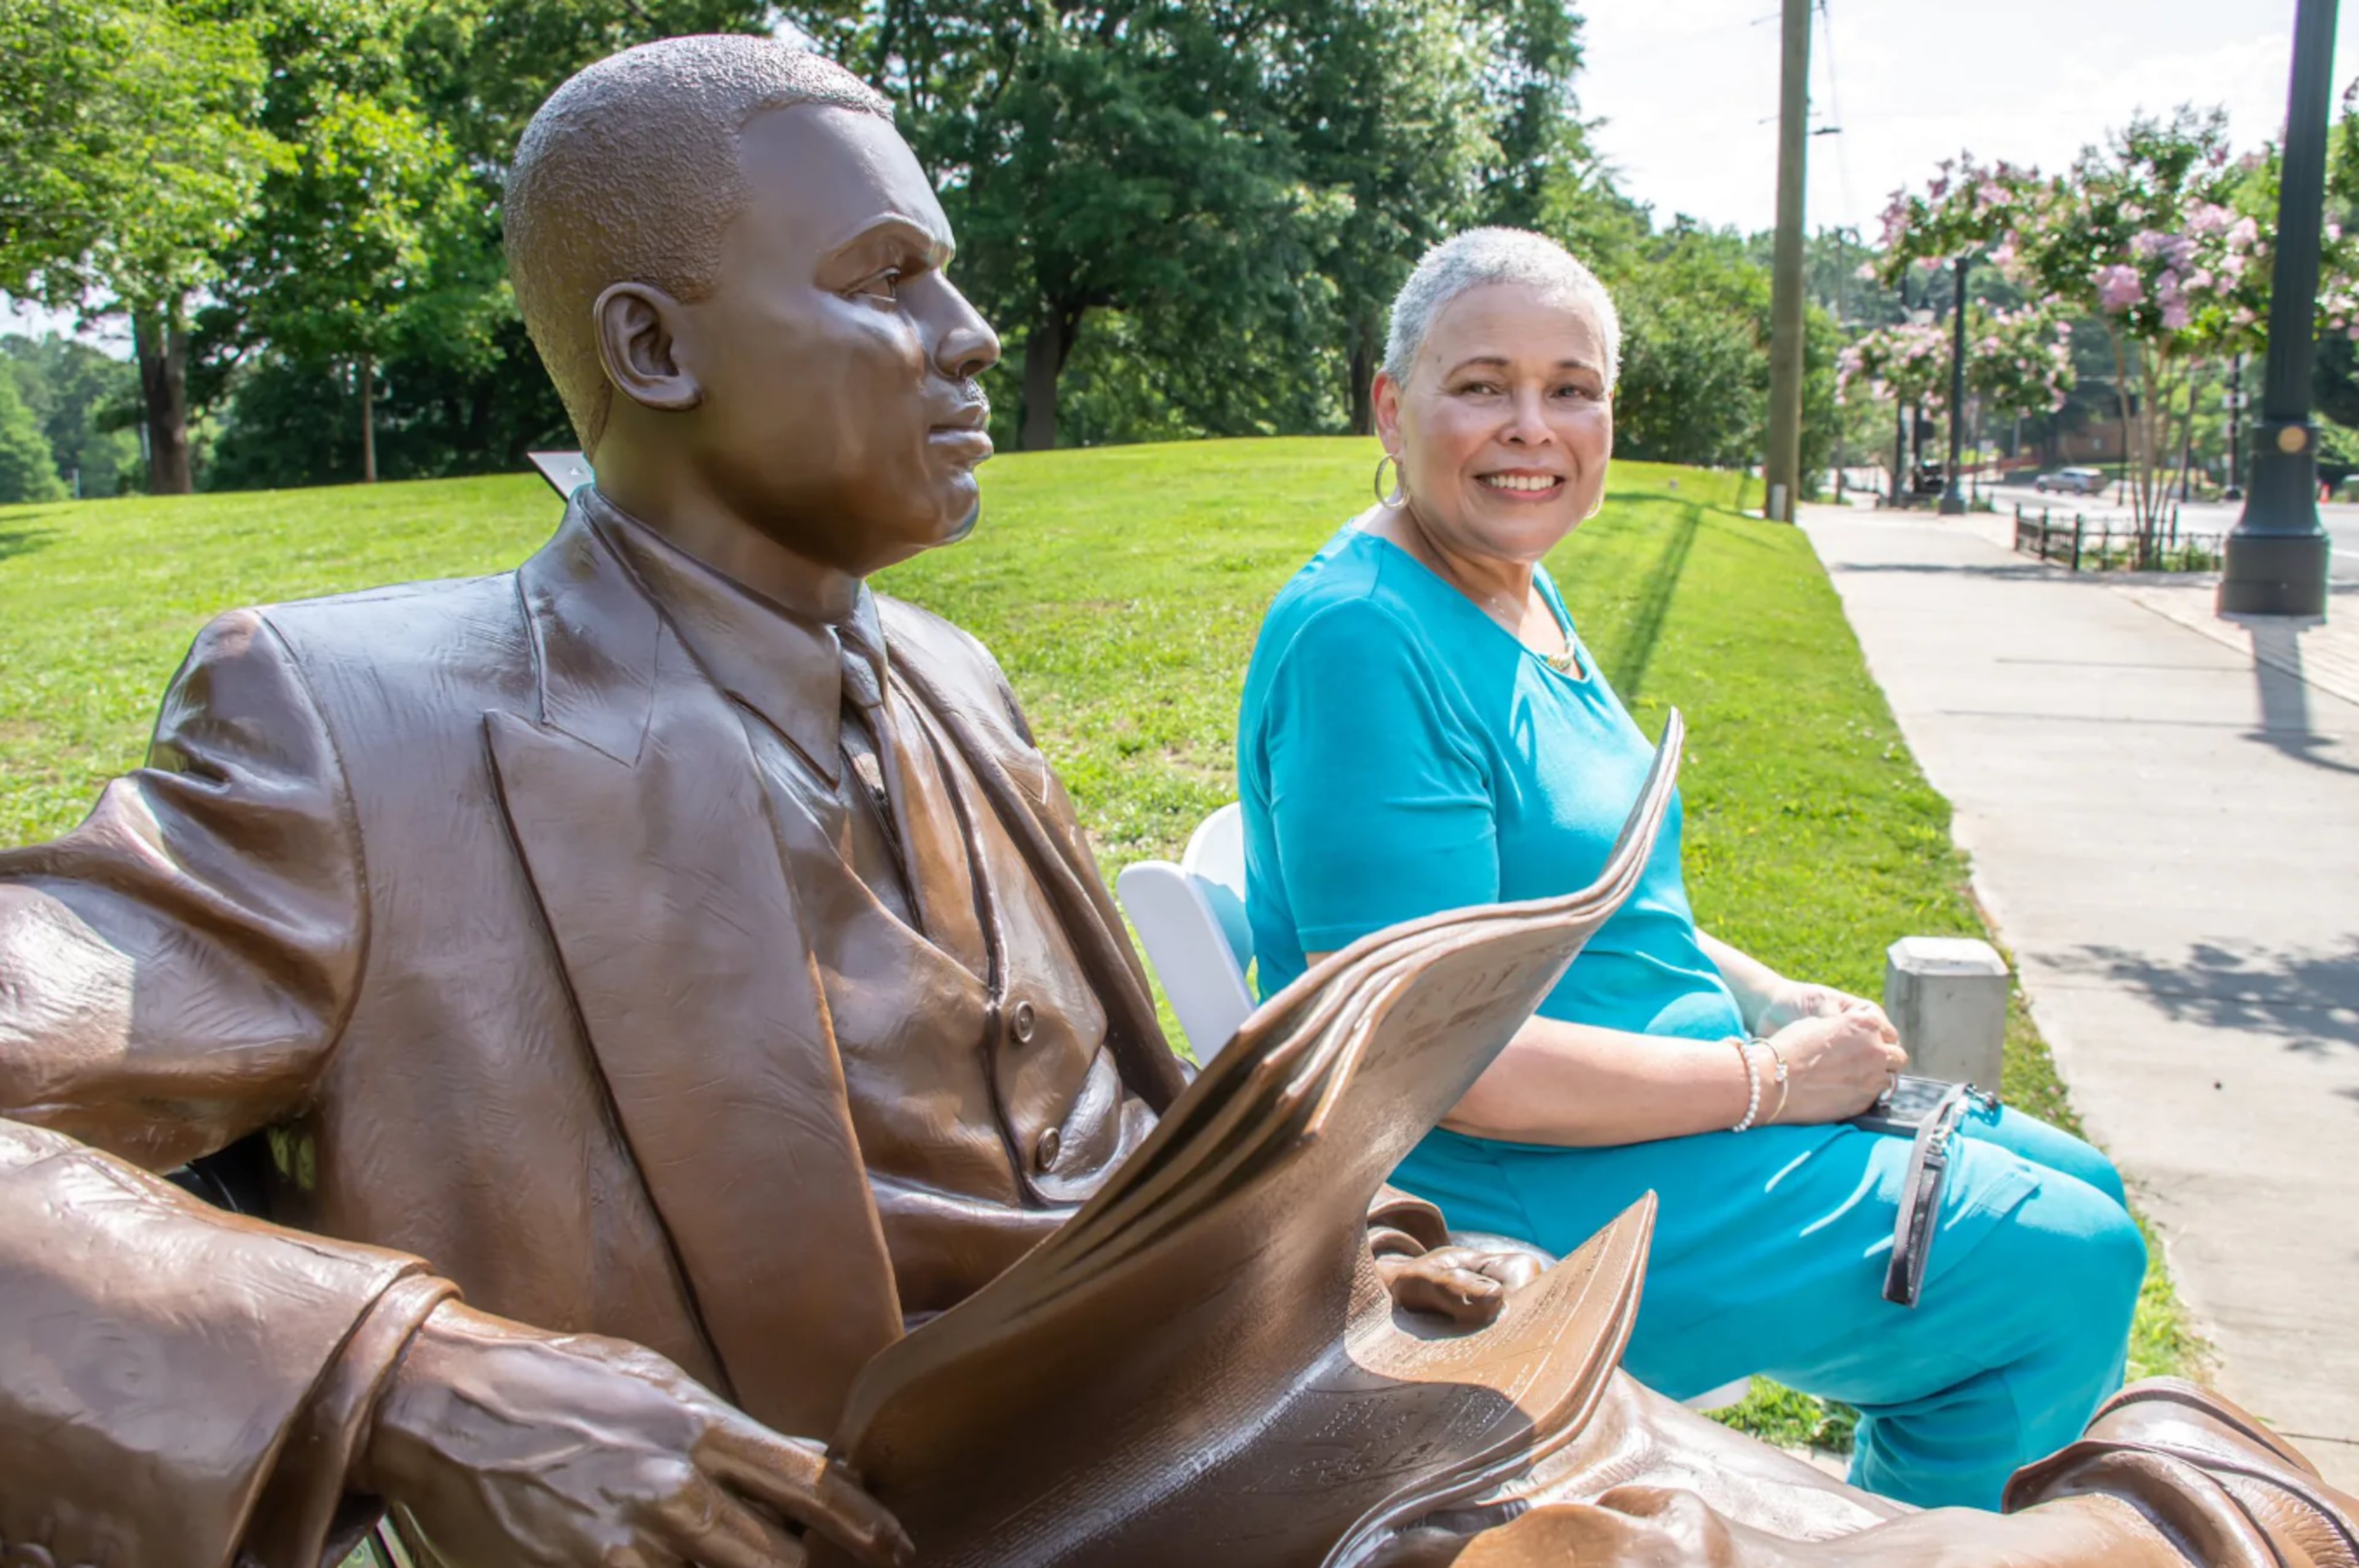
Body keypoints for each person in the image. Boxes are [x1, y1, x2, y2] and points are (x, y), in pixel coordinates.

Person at [2, 42, 2351, 1568]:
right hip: (976, 1515)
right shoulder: (354, 721)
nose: (975, 337)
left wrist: (1354, 1237)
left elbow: (1112, 1151)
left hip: (1290, 1406)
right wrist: (429, 1376)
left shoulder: (949, 679)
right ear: (651, 344)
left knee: (2174, 1495)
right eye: (891, 281)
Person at [1237, 227, 2150, 1511]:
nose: (1532, 426)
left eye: (1572, 387)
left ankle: (1896, 1518)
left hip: (1658, 1114)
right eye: (1482, 383)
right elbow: (1456, 1060)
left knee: (2085, 1187)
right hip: (1508, 1194)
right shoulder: (1365, 642)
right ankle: (1922, 1541)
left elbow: (1595, 898)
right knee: (2070, 1262)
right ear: (1392, 407)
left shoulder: (1514, 587)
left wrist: (1775, 995)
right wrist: (1771, 1081)